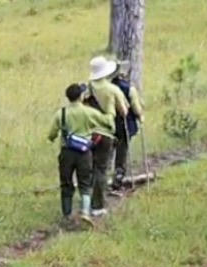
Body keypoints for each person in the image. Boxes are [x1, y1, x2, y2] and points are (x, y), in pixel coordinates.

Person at [47, 83, 111, 227]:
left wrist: (53, 138)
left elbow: (51, 134)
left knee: (66, 183)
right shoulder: (88, 112)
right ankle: (85, 212)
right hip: (84, 153)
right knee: (85, 183)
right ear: (81, 96)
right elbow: (107, 122)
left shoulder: (61, 113)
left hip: (66, 153)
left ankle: (67, 214)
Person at [85, 56, 128, 217]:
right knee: (101, 169)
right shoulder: (112, 90)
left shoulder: (87, 88)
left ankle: (85, 201)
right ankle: (98, 205)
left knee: (90, 166)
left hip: (89, 132)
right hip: (106, 132)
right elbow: (123, 111)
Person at [111, 61, 145, 189]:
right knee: (122, 150)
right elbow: (136, 108)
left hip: (108, 124)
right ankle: (118, 175)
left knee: (108, 151)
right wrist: (140, 116)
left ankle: (102, 176)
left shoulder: (105, 87)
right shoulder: (129, 88)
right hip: (124, 124)